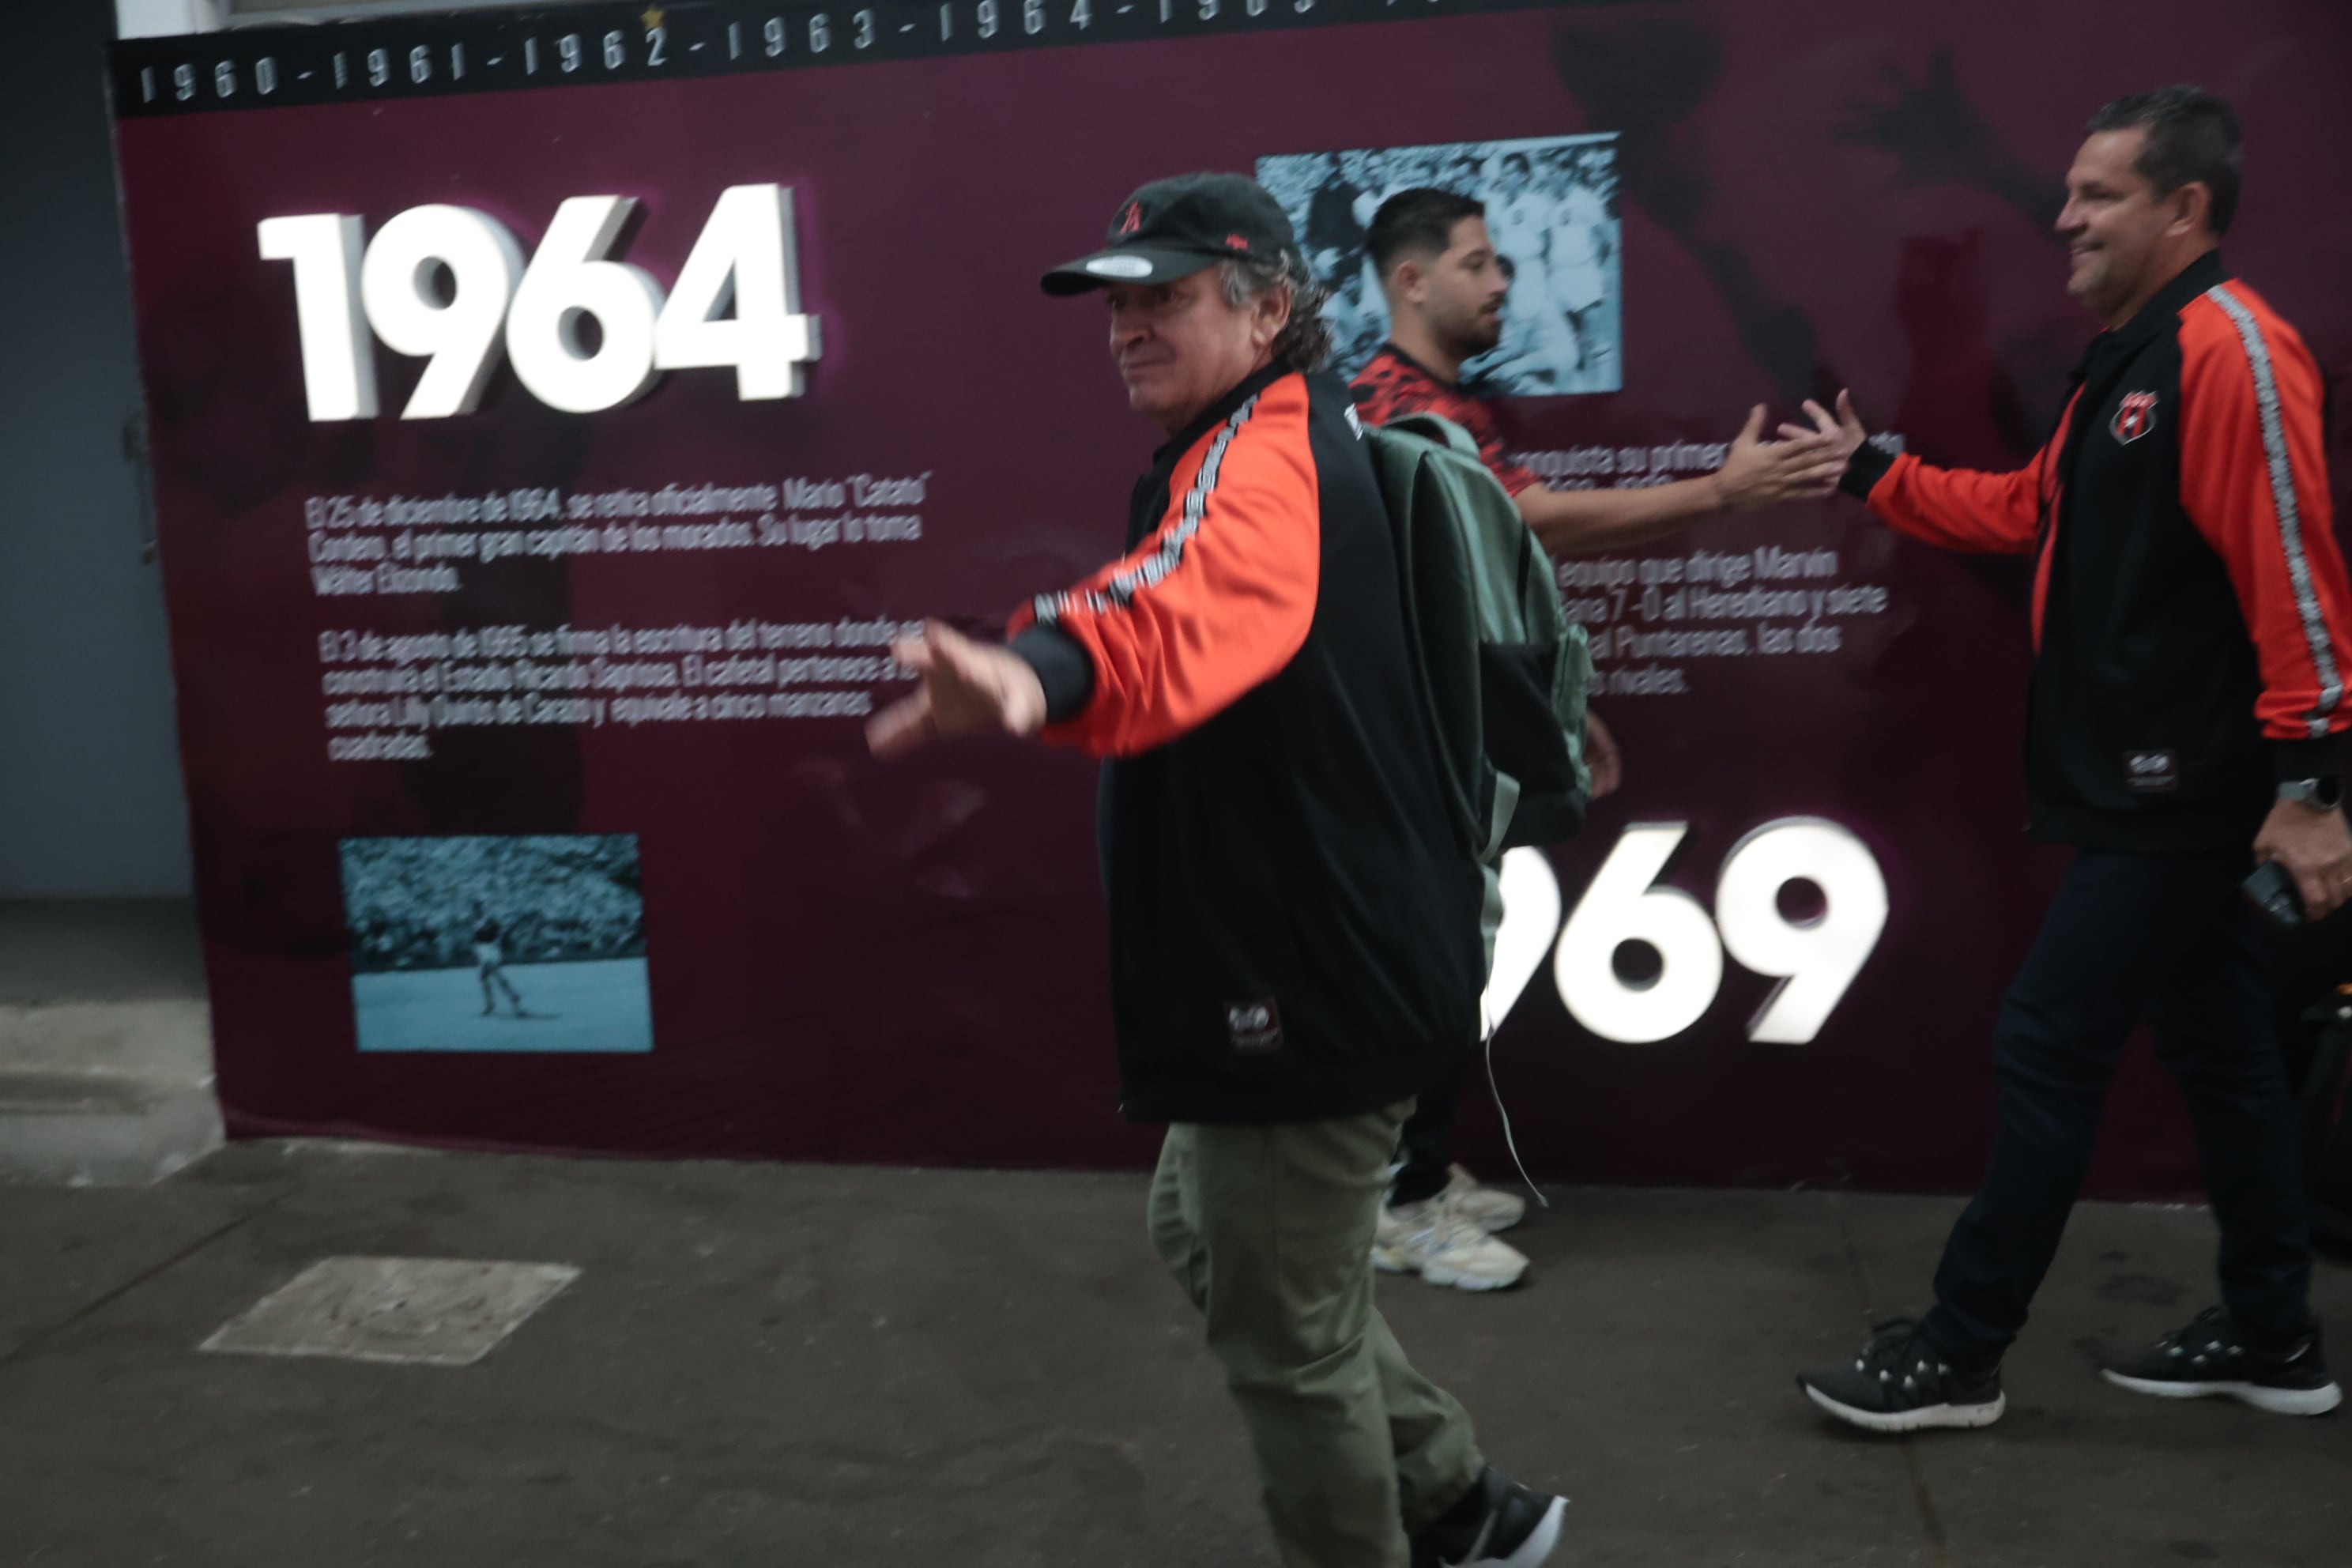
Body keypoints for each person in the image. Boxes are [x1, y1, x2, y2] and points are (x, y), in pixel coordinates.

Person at [868, 172, 1567, 1567]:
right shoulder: (1250, 439)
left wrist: (1030, 668)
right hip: (1316, 953)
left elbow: (1175, 605)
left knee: (1285, 1335)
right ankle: (1460, 1500)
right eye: (1119, 303)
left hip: (1315, 974)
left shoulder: (1267, 455)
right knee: (1211, 1236)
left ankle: (1418, 1520)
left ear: (1268, 312)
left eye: (1167, 298)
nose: (1129, 326)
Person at [1792, 85, 2347, 1431]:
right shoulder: (2135, 355)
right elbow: (2023, 507)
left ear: (2183, 208)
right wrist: (1871, 468)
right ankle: (2275, 1334)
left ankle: (1960, 1346)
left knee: (2049, 1038)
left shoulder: (2233, 351)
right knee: (2221, 1049)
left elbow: (2297, 570)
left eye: (2097, 194)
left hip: (2188, 792)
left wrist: (2312, 789)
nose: (2064, 215)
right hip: (2156, 788)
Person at [1350, 187, 1846, 1293]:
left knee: (1452, 960)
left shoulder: (1442, 402)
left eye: (1503, 262)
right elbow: (1527, 522)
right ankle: (1397, 1201)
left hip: (1452, 737)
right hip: (1406, 751)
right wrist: (1721, 493)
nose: (1502, 281)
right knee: (1429, 966)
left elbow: (1487, 587)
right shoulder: (1391, 404)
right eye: (1476, 263)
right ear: (1411, 281)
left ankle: (1416, 1174)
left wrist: (1558, 705)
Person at [470, 903, 524, 1018]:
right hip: (483, 952)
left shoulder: (490, 921)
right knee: (485, 977)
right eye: (475, 910)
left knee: (492, 976)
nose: (477, 912)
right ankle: (504, 1000)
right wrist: (476, 950)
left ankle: (509, 998)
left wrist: (498, 942)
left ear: (482, 909)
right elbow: (475, 939)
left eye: (478, 909)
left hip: (492, 950)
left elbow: (502, 931)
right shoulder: (475, 923)